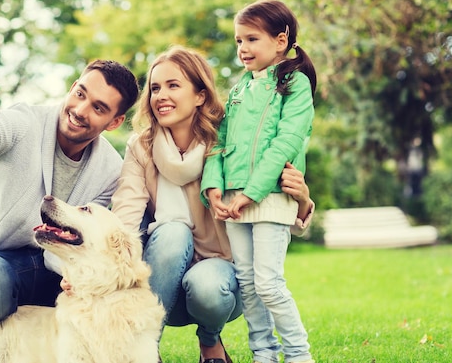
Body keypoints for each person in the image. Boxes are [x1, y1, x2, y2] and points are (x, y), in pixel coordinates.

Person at [0, 21, 139, 335]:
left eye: (98, 107)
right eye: (80, 93)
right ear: (72, 87)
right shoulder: (23, 122)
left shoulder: (109, 171)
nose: (79, 109)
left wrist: (75, 272)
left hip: (59, 276)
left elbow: (90, 243)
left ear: (115, 122)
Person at [110, 45, 315, 363]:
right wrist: (109, 268)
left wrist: (302, 200)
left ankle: (210, 340)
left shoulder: (229, 140)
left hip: (219, 285)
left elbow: (271, 204)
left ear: (200, 95)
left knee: (207, 286)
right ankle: (144, 351)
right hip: (159, 282)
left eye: (173, 85)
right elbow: (125, 213)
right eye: (155, 88)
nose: (161, 95)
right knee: (174, 232)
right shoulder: (141, 147)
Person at [201, 0, 317, 363]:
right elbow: (217, 143)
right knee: (249, 286)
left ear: (280, 40)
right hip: (234, 200)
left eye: (251, 39)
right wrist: (214, 188)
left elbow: (286, 141)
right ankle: (263, 355)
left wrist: (252, 193)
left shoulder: (295, 85)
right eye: (238, 41)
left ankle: (299, 355)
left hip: (270, 197)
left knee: (268, 282)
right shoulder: (238, 91)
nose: (242, 49)